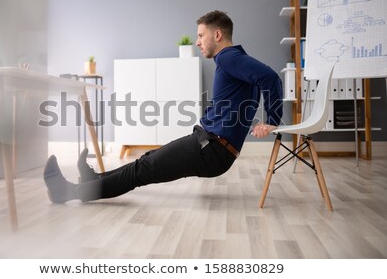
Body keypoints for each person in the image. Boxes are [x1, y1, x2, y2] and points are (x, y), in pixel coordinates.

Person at [43, 10, 283, 204]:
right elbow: (262, 81)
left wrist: (272, 119)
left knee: (143, 169)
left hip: (212, 149)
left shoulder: (229, 57)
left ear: (217, 35)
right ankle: (93, 180)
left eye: (201, 35)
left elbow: (271, 78)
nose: (198, 42)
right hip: (209, 144)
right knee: (145, 162)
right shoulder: (235, 60)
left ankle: (69, 192)